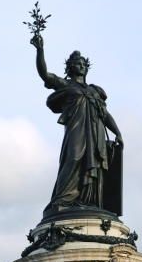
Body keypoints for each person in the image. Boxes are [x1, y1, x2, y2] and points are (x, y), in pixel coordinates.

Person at [31, 35, 123, 212]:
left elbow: (105, 114)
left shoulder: (94, 90)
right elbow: (44, 74)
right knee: (74, 158)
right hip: (77, 130)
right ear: (70, 67)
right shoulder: (65, 85)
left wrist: (117, 132)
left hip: (95, 133)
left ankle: (90, 201)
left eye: (83, 64)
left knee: (96, 162)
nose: (81, 66)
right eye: (77, 63)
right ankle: (62, 200)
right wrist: (40, 50)